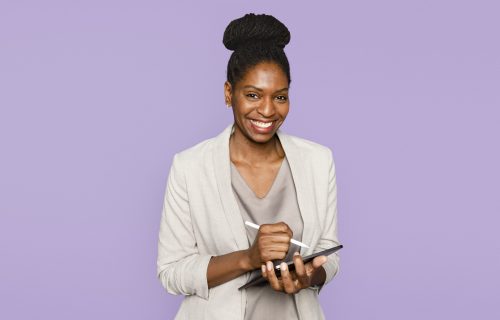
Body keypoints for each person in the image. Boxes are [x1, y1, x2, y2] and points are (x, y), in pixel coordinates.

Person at [157, 13, 341, 320]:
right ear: (230, 93)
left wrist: (307, 277)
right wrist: (248, 258)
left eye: (280, 97)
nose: (267, 110)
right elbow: (171, 272)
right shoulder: (190, 167)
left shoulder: (318, 161)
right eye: (253, 95)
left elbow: (329, 254)